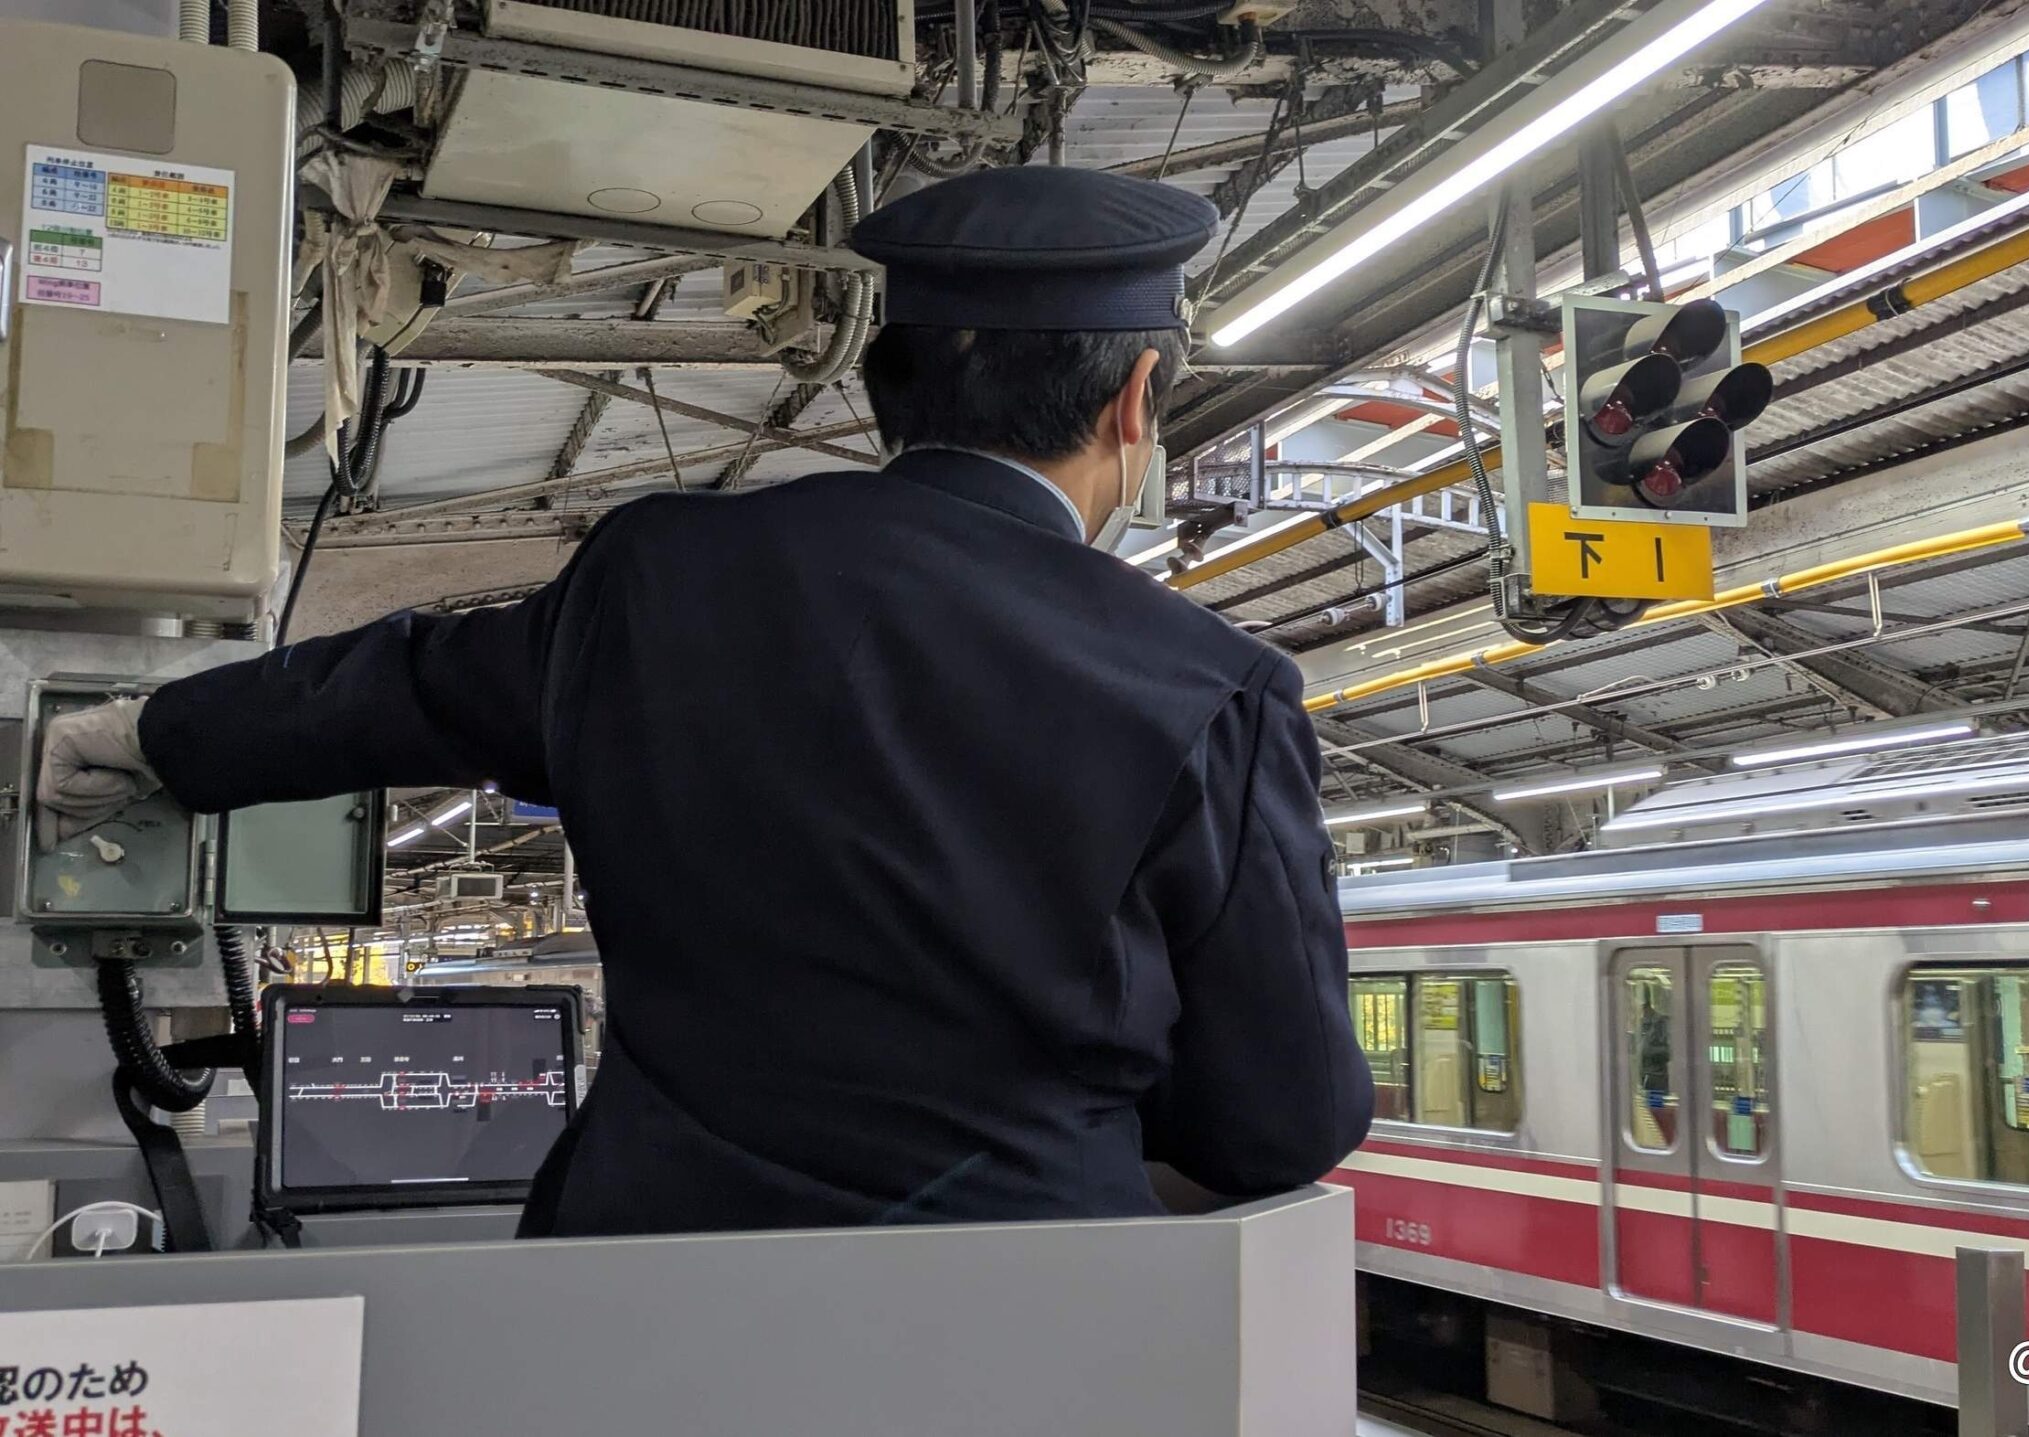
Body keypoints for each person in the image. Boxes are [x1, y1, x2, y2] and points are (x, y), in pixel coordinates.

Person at [33, 164, 1375, 1237]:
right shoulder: (1214, 690)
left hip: (652, 1266)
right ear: (1137, 401)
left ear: (881, 382)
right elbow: (1282, 1122)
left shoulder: (663, 574)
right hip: (1026, 1303)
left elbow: (398, 687)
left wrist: (147, 737)